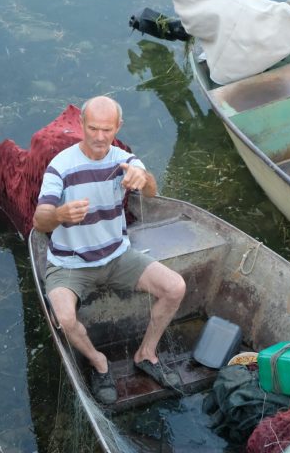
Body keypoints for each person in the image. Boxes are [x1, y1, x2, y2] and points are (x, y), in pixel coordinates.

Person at [32, 96, 186, 404]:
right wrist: (60, 215)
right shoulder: (60, 166)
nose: (99, 137)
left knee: (175, 287)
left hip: (117, 257)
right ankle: (98, 361)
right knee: (62, 317)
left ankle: (146, 353)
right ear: (81, 125)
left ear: (118, 127)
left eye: (106, 129)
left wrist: (144, 178)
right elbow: (39, 220)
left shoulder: (124, 159)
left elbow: (153, 192)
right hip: (69, 264)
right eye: (93, 128)